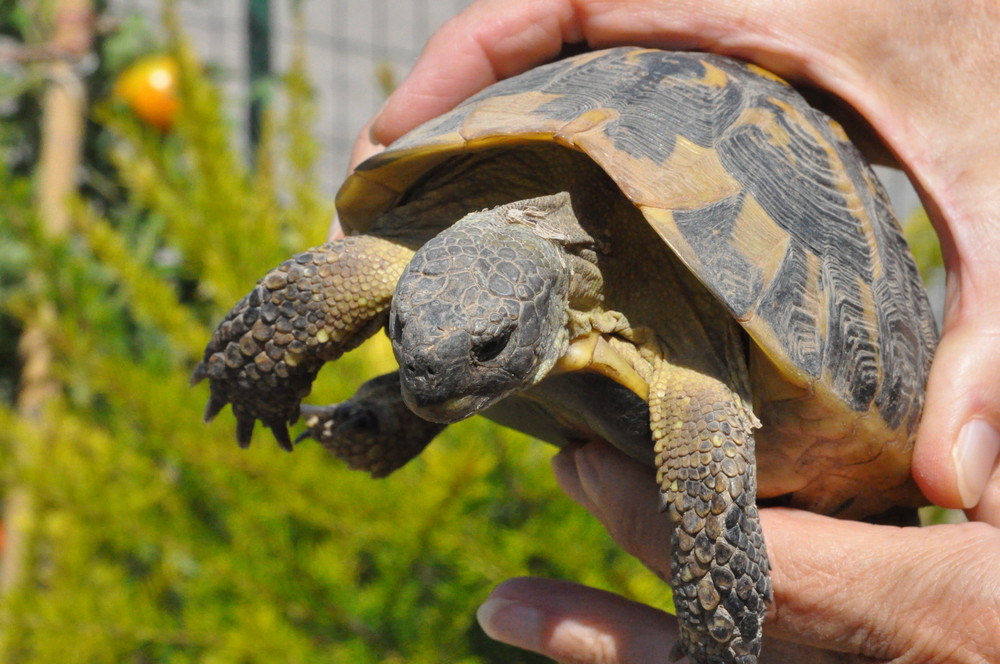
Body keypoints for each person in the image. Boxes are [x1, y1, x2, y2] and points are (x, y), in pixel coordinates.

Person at [344, 1, 1000, 661]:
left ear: (544, 303)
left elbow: (706, 457)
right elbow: (349, 271)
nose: (423, 360)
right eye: (407, 328)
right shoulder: (458, 229)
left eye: (490, 345)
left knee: (712, 499)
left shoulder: (695, 394)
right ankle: (388, 414)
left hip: (729, 380)